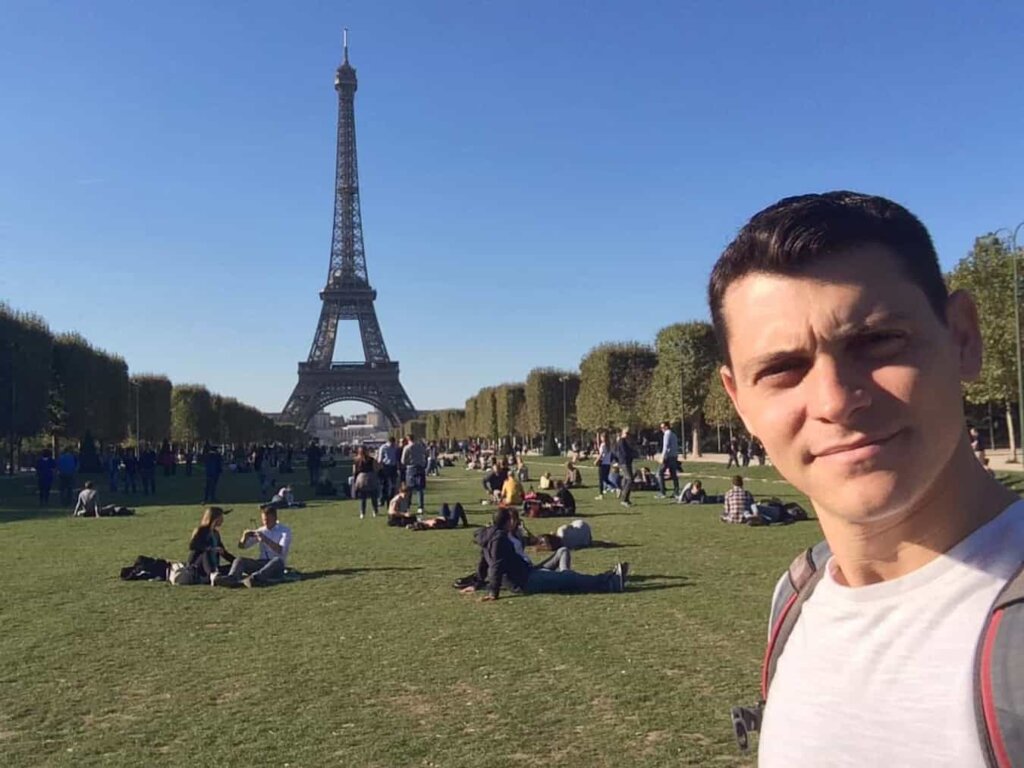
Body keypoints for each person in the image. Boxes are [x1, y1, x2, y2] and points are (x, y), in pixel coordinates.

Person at [708, 190, 1024, 764]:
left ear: (963, 340)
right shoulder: (796, 600)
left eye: (877, 342)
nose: (835, 400)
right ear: (740, 403)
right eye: (782, 369)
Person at [471, 508, 628, 600]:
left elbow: (484, 562)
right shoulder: (499, 539)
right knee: (568, 578)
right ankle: (611, 582)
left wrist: (478, 582)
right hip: (525, 581)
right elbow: (495, 566)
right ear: (506, 523)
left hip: (527, 574)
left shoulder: (489, 536)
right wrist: (493, 593)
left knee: (566, 579)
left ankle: (607, 578)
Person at [217, 504, 291, 588]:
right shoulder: (261, 530)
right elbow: (242, 546)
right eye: (263, 520)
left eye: (268, 520)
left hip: (277, 565)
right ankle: (231, 578)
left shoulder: (284, 531)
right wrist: (244, 537)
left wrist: (265, 539)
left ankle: (255, 578)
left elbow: (281, 550)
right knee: (240, 560)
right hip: (261, 563)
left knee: (277, 560)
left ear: (275, 518)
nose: (265, 522)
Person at [187, 506, 235, 581]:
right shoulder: (201, 531)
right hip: (199, 566)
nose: (222, 520)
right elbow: (192, 546)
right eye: (221, 517)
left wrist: (237, 562)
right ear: (214, 518)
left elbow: (224, 553)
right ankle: (212, 576)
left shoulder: (216, 533)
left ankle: (215, 574)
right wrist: (211, 549)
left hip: (214, 566)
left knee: (235, 568)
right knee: (206, 553)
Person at [401, 435, 428, 514]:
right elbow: (426, 454)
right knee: (420, 489)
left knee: (409, 489)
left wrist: (407, 463)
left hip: (411, 468)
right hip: (420, 467)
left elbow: (403, 460)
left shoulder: (407, 448)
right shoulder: (420, 446)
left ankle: (407, 506)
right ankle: (420, 507)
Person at [352, 446, 380, 519]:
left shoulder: (356, 460)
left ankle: (362, 513)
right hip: (371, 478)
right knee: (373, 496)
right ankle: (375, 511)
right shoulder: (371, 459)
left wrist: (355, 481)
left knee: (363, 497)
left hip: (361, 479)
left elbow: (354, 471)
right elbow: (375, 469)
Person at [655, 421, 681, 499]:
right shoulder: (673, 434)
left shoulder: (667, 434)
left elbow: (665, 447)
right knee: (673, 474)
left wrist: (662, 457)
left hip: (668, 457)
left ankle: (662, 492)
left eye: (663, 427)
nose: (661, 429)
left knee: (660, 473)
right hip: (674, 456)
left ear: (666, 427)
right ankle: (676, 491)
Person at [613, 428, 636, 507]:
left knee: (627, 479)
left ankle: (626, 498)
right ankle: (624, 498)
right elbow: (623, 453)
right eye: (626, 433)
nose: (627, 435)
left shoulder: (626, 441)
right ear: (622, 433)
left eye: (628, 433)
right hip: (624, 462)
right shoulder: (622, 441)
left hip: (627, 462)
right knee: (630, 479)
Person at [376, 436, 400, 505]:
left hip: (393, 467)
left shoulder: (395, 448)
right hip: (385, 467)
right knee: (384, 485)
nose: (392, 445)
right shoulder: (383, 448)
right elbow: (380, 459)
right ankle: (381, 499)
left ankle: (391, 499)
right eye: (391, 444)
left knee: (393, 485)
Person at [593, 432, 613, 499]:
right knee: (605, 479)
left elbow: (601, 454)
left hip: (603, 464)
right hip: (608, 464)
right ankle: (616, 487)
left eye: (601, 437)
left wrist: (596, 461)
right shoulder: (609, 445)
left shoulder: (603, 445)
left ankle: (601, 494)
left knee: (601, 480)